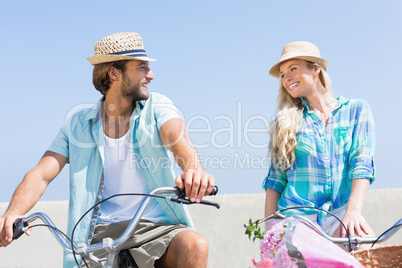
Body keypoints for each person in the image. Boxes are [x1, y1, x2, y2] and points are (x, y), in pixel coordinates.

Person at [0, 32, 215, 268]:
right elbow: (41, 174)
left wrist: (194, 170)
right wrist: (13, 212)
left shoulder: (156, 106)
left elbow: (177, 137)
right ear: (114, 73)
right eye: (142, 67)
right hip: (96, 233)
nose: (151, 75)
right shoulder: (78, 125)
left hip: (155, 227)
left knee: (194, 245)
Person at [263, 41, 376, 239]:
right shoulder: (285, 123)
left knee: (365, 247)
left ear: (316, 70)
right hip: (296, 219)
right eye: (282, 75)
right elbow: (275, 181)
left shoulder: (357, 110)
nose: (286, 78)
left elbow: (362, 164)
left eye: (293, 69)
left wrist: (353, 212)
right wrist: (270, 233)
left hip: (339, 214)